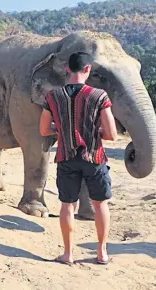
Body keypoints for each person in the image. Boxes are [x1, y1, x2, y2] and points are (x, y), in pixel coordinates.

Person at [39, 51, 118, 266]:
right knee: (100, 204)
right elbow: (111, 134)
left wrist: (64, 129)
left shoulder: (52, 97)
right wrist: (94, 132)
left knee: (67, 205)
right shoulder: (99, 96)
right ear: (88, 69)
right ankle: (102, 253)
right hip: (94, 157)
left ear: (67, 69)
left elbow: (44, 130)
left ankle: (68, 253)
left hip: (66, 157)